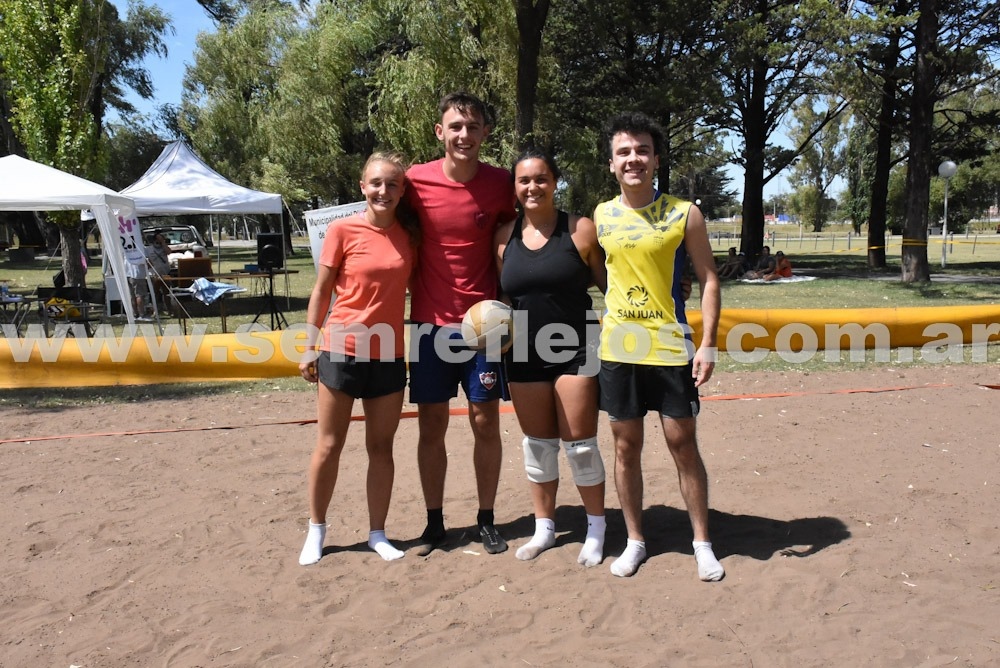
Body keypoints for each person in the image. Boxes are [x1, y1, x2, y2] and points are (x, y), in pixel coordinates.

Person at [594, 111, 725, 581]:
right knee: (625, 447)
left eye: (642, 151)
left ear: (656, 158)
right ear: (611, 163)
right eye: (624, 152)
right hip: (619, 350)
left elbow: (709, 278)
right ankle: (634, 541)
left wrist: (708, 343)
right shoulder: (602, 215)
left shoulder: (684, 212)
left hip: (670, 348)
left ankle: (702, 543)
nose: (634, 159)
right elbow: (601, 273)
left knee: (682, 444)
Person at [405, 92, 517, 555]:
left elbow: (516, 243)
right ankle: (434, 523)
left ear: (485, 132)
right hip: (429, 326)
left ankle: (487, 519)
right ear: (440, 132)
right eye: (455, 127)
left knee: (484, 421)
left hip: (483, 326)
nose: (464, 135)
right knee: (431, 426)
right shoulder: (413, 182)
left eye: (472, 127)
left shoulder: (502, 184)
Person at [297, 151, 419, 566]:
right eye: (376, 183)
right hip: (340, 350)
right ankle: (316, 530)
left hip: (388, 355)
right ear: (362, 187)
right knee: (330, 445)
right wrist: (309, 346)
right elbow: (321, 290)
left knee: (381, 448)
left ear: (403, 190)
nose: (384, 191)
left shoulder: (410, 236)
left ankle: (377, 533)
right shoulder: (342, 229)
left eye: (393, 184)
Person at [494, 148, 608, 566]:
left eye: (541, 178)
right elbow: (504, 296)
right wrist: (492, 330)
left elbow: (612, 285)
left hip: (577, 347)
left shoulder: (581, 230)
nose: (532, 187)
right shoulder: (503, 236)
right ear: (515, 187)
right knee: (538, 446)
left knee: (580, 446)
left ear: (555, 181)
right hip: (523, 352)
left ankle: (596, 527)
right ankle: (545, 527)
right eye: (524, 180)